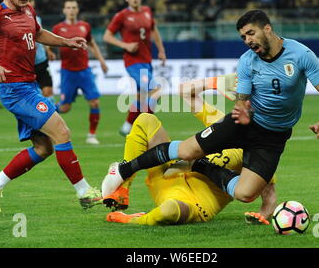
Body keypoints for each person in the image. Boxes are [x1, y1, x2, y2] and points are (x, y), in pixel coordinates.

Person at [102, 9, 319, 209]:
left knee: (245, 194)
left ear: (267, 29)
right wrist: (242, 110)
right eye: (243, 37)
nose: (248, 40)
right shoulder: (247, 60)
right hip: (244, 123)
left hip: (274, 136)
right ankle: (123, 170)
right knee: (185, 151)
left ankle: (201, 166)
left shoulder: (301, 55)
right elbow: (242, 97)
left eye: (251, 33)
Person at [0, 0, 102, 212]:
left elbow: (38, 33)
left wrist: (66, 42)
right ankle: (84, 193)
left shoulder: (28, 11)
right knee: (62, 131)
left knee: (44, 148)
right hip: (15, 90)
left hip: (30, 86)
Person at [104, 73, 276, 225]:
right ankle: (122, 188)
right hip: (168, 172)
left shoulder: (260, 152)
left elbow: (268, 197)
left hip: (194, 201)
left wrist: (262, 215)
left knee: (169, 211)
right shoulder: (225, 124)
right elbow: (186, 91)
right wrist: (215, 82)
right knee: (145, 120)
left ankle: (131, 219)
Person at [103, 0, 167, 136]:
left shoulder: (147, 11)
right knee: (156, 90)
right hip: (133, 62)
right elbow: (107, 36)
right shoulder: (121, 16)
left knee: (140, 96)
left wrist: (161, 50)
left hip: (147, 60)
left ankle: (127, 127)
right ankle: (147, 126)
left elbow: (153, 30)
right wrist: (124, 45)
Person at [52, 0, 108, 145]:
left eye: (74, 7)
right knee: (65, 107)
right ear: (64, 10)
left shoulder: (85, 26)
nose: (71, 10)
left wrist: (101, 61)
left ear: (77, 10)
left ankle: (91, 135)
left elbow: (92, 44)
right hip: (68, 73)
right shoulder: (58, 28)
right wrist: (48, 52)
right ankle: (46, 111)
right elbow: (48, 43)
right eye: (68, 7)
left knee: (95, 102)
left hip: (85, 71)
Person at [27, 0, 55, 103]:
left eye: (31, 0)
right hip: (27, 66)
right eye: (28, 0)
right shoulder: (16, 21)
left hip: (41, 62)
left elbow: (41, 36)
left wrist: (48, 50)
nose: (30, 2)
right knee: (32, 97)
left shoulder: (37, 19)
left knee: (48, 92)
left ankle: (51, 119)